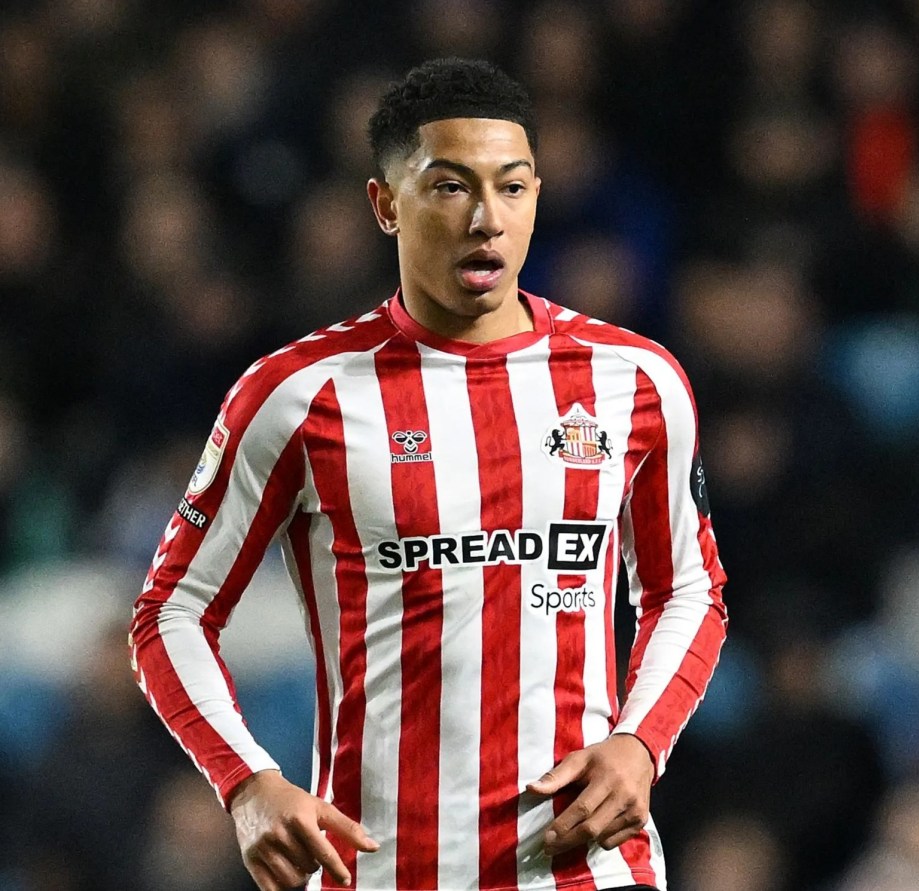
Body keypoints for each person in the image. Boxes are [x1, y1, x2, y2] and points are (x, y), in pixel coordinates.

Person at [129, 57, 728, 891]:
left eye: (512, 188)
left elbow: (687, 590)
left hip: (587, 871)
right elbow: (171, 610)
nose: (487, 218)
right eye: (450, 187)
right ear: (385, 205)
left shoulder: (637, 380)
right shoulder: (298, 394)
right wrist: (247, 783)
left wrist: (641, 741)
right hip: (381, 871)